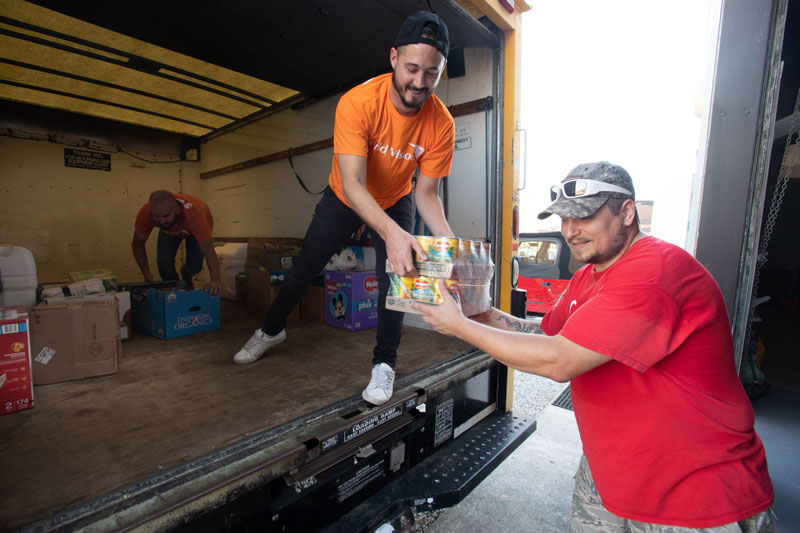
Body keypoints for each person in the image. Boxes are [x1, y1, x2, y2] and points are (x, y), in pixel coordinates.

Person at [412, 162, 775, 532]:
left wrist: (457, 326)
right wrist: (478, 312)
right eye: (564, 219)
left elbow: (559, 362)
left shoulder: (654, 270)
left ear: (627, 212)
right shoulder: (589, 276)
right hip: (613, 475)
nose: (571, 230)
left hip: (693, 493)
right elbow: (546, 338)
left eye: (584, 216)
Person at [232, 11, 456, 406]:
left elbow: (427, 195)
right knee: (305, 266)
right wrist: (393, 234)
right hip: (344, 195)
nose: (419, 82)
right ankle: (271, 330)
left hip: (396, 197)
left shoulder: (442, 123)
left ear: (441, 72)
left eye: (431, 73)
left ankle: (384, 364)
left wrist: (452, 247)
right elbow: (353, 184)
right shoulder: (358, 103)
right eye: (411, 68)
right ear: (393, 58)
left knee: (395, 279)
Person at [132, 190, 222, 296]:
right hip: (169, 229)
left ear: (177, 210)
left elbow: (208, 250)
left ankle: (186, 275)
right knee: (163, 264)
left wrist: (215, 280)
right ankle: (176, 289)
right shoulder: (147, 213)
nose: (160, 221)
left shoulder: (195, 217)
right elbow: (138, 243)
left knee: (194, 267)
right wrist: (146, 273)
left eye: (166, 216)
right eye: (156, 216)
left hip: (194, 228)